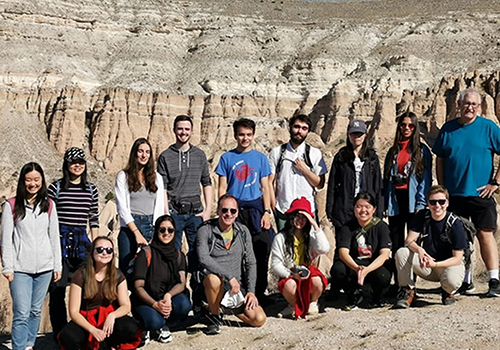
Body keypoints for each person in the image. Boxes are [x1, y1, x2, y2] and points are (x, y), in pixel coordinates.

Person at [433, 88, 500, 297]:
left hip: (481, 194)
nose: (469, 107)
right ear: (458, 105)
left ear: (479, 107)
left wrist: (495, 183)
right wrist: (443, 188)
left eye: (474, 104)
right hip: (454, 195)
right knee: (461, 239)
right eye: (466, 103)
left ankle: (494, 280)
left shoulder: (489, 128)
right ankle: (466, 281)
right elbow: (440, 158)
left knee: (485, 234)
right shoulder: (448, 129)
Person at [1, 162, 62, 350]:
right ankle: (19, 348)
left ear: (42, 181)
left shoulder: (49, 205)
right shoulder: (11, 205)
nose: (32, 184)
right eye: (28, 180)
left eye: (36, 179)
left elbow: (53, 236)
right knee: (21, 312)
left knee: (35, 311)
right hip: (20, 269)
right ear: (22, 181)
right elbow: (5, 239)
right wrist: (8, 267)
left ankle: (29, 345)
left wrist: (57, 265)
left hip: (44, 268)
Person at [216, 118, 272, 300]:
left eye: (248, 134)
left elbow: (265, 187)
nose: (245, 138)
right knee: (235, 254)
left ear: (253, 136)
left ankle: (258, 293)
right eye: (241, 134)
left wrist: (267, 212)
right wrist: (223, 212)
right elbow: (222, 188)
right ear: (235, 135)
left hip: (256, 210)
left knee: (261, 251)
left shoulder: (261, 159)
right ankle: (236, 293)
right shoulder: (226, 158)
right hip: (234, 210)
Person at [195, 194, 266, 335]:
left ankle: (222, 310)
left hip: (234, 290)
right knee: (213, 279)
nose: (228, 214)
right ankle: (214, 318)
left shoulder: (242, 232)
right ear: (218, 211)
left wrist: (251, 291)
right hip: (212, 286)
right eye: (224, 210)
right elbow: (203, 258)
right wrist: (229, 277)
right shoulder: (205, 230)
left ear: (237, 212)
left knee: (259, 319)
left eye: (233, 211)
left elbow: (250, 262)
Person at [48, 147, 100, 338]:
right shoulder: (56, 188)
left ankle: (87, 330)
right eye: (73, 162)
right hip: (59, 245)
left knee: (89, 289)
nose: (77, 165)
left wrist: (96, 247)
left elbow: (94, 219)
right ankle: (60, 334)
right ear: (66, 165)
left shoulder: (91, 189)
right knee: (57, 291)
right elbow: (48, 218)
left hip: (82, 246)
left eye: (81, 162)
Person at [58, 236, 141, 349]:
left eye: (109, 250)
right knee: (68, 336)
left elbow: (126, 306)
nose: (104, 253)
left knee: (130, 327)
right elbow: (73, 312)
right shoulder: (80, 275)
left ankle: (108, 344)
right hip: (86, 317)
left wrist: (112, 315)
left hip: (108, 316)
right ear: (92, 253)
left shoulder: (118, 275)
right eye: (100, 249)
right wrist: (92, 330)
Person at [394, 185, 467, 308]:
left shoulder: (455, 223)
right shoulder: (423, 216)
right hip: (426, 264)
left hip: (447, 266)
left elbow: (457, 258)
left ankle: (447, 291)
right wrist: (420, 250)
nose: (437, 206)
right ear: (428, 203)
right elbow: (409, 241)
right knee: (402, 252)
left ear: (447, 203)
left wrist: (436, 265)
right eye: (433, 202)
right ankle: (408, 291)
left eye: (441, 202)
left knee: (452, 280)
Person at [384, 112, 432, 278]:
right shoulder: (393, 151)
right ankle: (399, 282)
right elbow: (386, 179)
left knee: (413, 243)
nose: (406, 128)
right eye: (403, 125)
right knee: (396, 242)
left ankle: (411, 284)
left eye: (411, 125)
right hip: (395, 200)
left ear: (415, 128)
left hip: (413, 201)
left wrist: (421, 204)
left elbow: (425, 180)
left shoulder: (422, 151)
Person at [132, 215, 191, 344]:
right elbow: (138, 286)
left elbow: (181, 283)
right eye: (162, 230)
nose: (166, 233)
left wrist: (168, 296)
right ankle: (148, 325)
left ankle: (164, 325)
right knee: (154, 321)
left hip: (165, 299)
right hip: (146, 301)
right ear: (156, 231)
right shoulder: (146, 254)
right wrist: (155, 305)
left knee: (184, 305)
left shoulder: (178, 255)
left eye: (170, 230)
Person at [157, 115, 213, 251]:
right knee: (173, 253)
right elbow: (162, 186)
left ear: (192, 131)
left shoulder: (199, 155)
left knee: (198, 253)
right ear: (174, 130)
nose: (183, 132)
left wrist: (208, 211)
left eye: (187, 129)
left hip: (196, 213)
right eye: (180, 129)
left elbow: (207, 182)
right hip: (174, 213)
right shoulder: (165, 156)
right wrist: (165, 212)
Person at [270, 197, 330, 319]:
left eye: (304, 218)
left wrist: (314, 224)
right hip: (291, 274)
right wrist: (290, 274)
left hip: (308, 274)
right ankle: (293, 305)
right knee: (289, 285)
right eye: (297, 216)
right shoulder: (281, 238)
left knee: (317, 281)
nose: (300, 221)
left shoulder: (312, 236)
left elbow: (324, 248)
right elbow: (275, 264)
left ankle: (313, 302)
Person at [330, 193, 392, 309]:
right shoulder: (347, 227)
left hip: (372, 265)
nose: (363, 210)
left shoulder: (381, 226)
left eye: (367, 207)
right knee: (338, 269)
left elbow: (385, 254)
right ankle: (353, 293)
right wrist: (357, 268)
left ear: (374, 209)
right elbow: (343, 253)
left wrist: (366, 270)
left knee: (383, 275)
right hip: (354, 264)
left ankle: (376, 295)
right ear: (354, 208)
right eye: (359, 206)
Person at [115, 138, 165, 280]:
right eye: (141, 151)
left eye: (147, 152)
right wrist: (136, 232)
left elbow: (160, 206)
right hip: (130, 227)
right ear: (135, 153)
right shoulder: (123, 176)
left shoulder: (157, 178)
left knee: (149, 268)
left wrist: (157, 230)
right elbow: (122, 207)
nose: (144, 155)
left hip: (151, 225)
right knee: (125, 270)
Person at [268, 114, 328, 231]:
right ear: (290, 127)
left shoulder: (314, 153)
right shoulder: (277, 153)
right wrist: (273, 204)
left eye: (304, 128)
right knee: (284, 245)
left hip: (308, 210)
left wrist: (304, 169)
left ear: (308, 131)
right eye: (296, 127)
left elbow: (320, 183)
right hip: (283, 209)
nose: (299, 131)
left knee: (310, 246)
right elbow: (269, 181)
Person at [326, 120, 383, 236]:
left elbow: (378, 185)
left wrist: (379, 211)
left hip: (366, 208)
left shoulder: (372, 158)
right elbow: (332, 184)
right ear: (348, 135)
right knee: (343, 244)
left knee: (365, 246)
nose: (356, 137)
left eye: (359, 134)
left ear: (365, 135)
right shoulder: (341, 157)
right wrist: (330, 210)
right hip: (344, 208)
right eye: (353, 134)